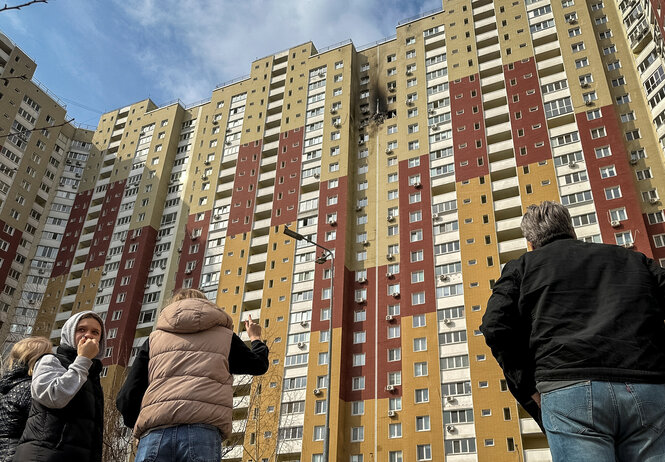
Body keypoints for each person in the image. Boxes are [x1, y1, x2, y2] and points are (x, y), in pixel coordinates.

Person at [481, 201, 665, 462]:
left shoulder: (523, 267)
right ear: (572, 230)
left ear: (530, 243)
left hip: (568, 391)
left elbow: (494, 326)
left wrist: (527, 388)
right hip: (647, 389)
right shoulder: (632, 259)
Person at [116, 288, 269, 462]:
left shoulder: (153, 340)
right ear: (205, 304)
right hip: (202, 432)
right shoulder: (225, 337)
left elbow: (127, 396)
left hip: (154, 434)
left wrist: (139, 423)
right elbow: (258, 365)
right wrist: (255, 338)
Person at [14, 311, 106, 462]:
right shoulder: (51, 360)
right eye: (81, 330)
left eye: (95, 332)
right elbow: (53, 396)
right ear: (69, 332)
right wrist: (83, 359)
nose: (88, 335)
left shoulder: (92, 378)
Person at [0, 336, 52, 462]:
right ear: (37, 361)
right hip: (17, 454)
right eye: (49, 357)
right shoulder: (30, 388)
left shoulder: (10, 385)